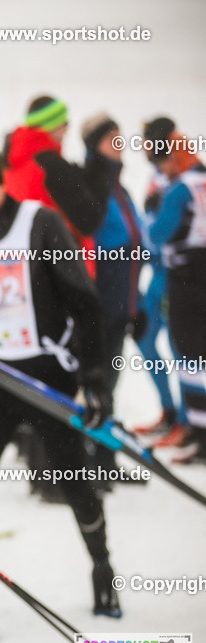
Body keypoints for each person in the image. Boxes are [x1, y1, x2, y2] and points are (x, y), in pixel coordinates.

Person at [0, 142, 121, 641]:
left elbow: (85, 305)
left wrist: (94, 381)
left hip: (45, 380)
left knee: (74, 482)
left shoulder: (40, 224)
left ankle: (102, 569)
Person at [78, 113, 147, 483]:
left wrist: (138, 306)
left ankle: (104, 460)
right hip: (99, 304)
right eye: (111, 139)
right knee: (96, 384)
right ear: (94, 145)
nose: (120, 146)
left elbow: (135, 246)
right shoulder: (94, 184)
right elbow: (92, 242)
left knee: (109, 383)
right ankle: (88, 463)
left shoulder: (120, 187)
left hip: (121, 305)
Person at [143, 117, 206, 463]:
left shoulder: (180, 188)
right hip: (197, 274)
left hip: (184, 279)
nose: (160, 167)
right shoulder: (200, 180)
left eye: (162, 159)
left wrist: (153, 210)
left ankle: (197, 433)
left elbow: (156, 235)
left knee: (189, 356)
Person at [3, 95, 113, 278]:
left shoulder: (10, 166)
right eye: (65, 123)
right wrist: (100, 168)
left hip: (23, 269)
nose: (66, 130)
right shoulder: (52, 165)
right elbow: (89, 220)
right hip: (62, 270)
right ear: (52, 125)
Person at [132, 169, 190, 447]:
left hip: (178, 284)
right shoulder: (157, 176)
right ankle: (169, 411)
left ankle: (186, 422)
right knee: (144, 340)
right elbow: (145, 239)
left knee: (181, 352)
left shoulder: (187, 182)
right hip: (156, 284)